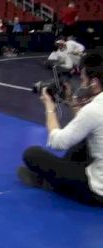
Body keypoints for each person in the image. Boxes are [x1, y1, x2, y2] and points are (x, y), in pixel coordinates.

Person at [18, 52, 103, 205]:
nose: (82, 84)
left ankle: (51, 182)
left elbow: (57, 142)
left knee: (32, 154)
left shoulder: (95, 109)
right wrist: (71, 100)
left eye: (83, 80)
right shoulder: (95, 108)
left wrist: (49, 107)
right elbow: (86, 125)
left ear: (95, 82)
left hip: (98, 192)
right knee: (84, 141)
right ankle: (60, 176)